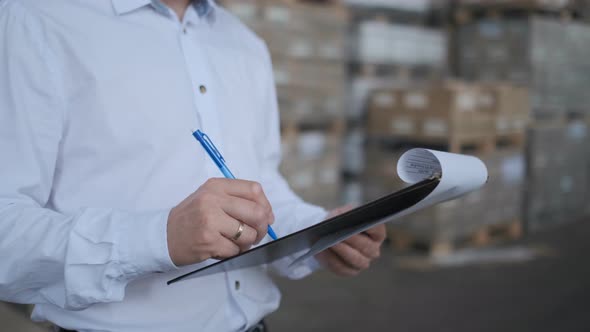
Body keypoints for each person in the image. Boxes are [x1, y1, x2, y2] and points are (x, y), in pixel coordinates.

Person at [0, 0, 386, 331]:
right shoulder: (34, 21)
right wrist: (158, 238)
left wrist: (317, 234)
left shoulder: (244, 44)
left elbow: (261, 186)